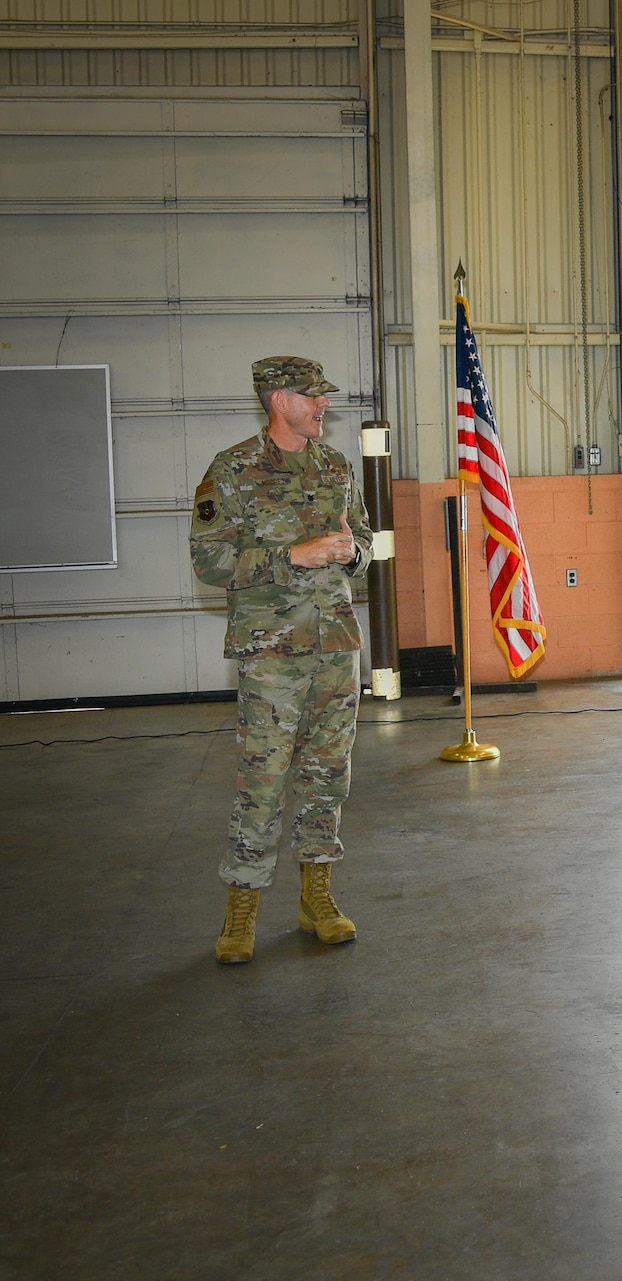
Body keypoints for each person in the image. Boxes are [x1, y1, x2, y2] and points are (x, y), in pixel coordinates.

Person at [190, 356, 374, 964]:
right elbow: (210, 563)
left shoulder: (336, 465)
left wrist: (350, 554)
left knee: (328, 777)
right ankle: (241, 909)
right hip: (272, 655)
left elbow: (364, 544)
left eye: (322, 396)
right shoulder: (233, 469)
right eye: (313, 396)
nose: (324, 405)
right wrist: (295, 556)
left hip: (336, 649)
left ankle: (316, 898)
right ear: (279, 400)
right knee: (263, 784)